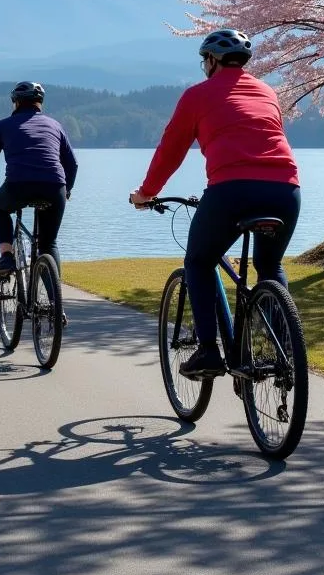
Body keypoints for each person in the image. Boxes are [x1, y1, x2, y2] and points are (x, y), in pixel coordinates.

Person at [129, 29, 300, 378]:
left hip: (231, 189)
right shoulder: (268, 92)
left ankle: (209, 351)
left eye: (203, 61)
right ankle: (287, 349)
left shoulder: (197, 95)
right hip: (285, 189)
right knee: (269, 264)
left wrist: (146, 191)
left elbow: (170, 152)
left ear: (211, 61)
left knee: (199, 260)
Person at [0, 81, 78, 281]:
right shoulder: (55, 125)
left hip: (19, 184)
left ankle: (7, 256)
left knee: (1, 211)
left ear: (16, 103)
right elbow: (72, 164)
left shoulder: (3, 125)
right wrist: (66, 191)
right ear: (40, 103)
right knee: (48, 243)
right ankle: (55, 305)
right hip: (55, 186)